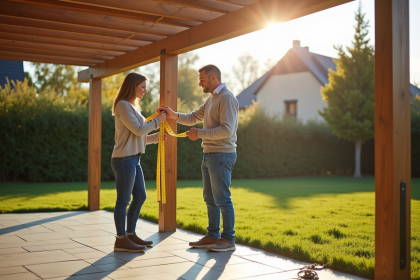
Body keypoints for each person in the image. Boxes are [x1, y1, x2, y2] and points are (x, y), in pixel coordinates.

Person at [158, 65, 239, 252]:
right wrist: (173, 115)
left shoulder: (226, 98)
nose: (199, 83)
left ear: (213, 78)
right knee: (210, 198)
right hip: (209, 155)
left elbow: (228, 130)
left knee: (222, 199)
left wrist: (199, 133)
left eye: (202, 79)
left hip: (222, 155)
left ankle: (228, 239)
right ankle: (212, 235)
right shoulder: (212, 99)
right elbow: (194, 117)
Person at [111, 72, 167, 252]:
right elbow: (137, 130)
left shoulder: (133, 107)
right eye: (142, 87)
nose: (145, 90)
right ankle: (121, 239)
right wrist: (158, 121)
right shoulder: (122, 105)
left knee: (140, 196)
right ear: (132, 86)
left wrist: (156, 138)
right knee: (123, 200)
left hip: (133, 159)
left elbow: (139, 136)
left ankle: (130, 234)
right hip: (124, 159)